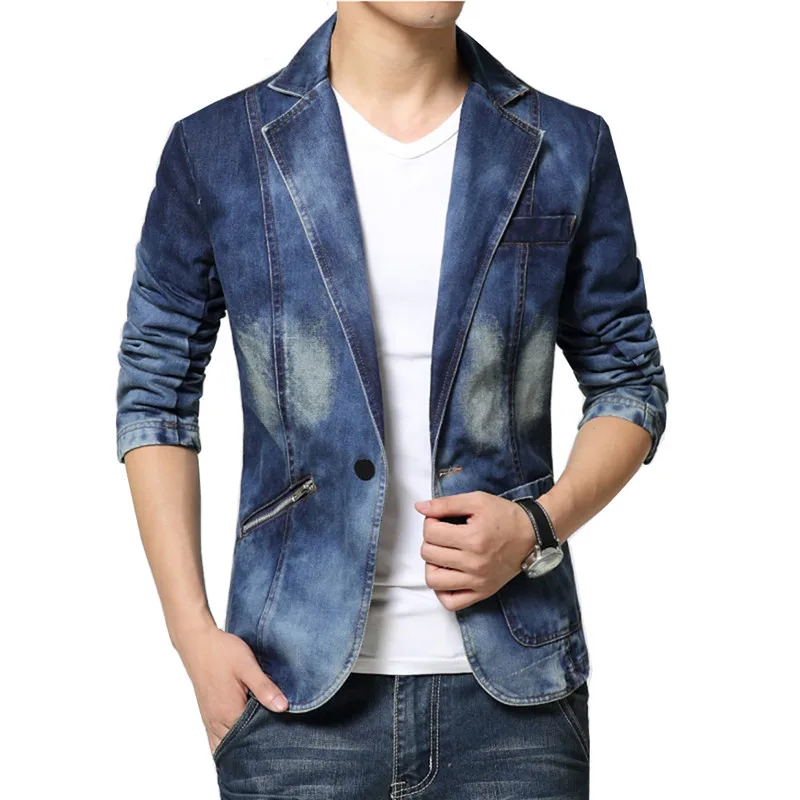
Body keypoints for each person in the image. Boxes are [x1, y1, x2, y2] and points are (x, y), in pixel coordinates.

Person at [115, 3, 668, 798]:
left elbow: (629, 379)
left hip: (516, 708)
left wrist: (536, 525)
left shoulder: (565, 144)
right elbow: (157, 389)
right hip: (292, 696)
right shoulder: (220, 149)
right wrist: (191, 635)